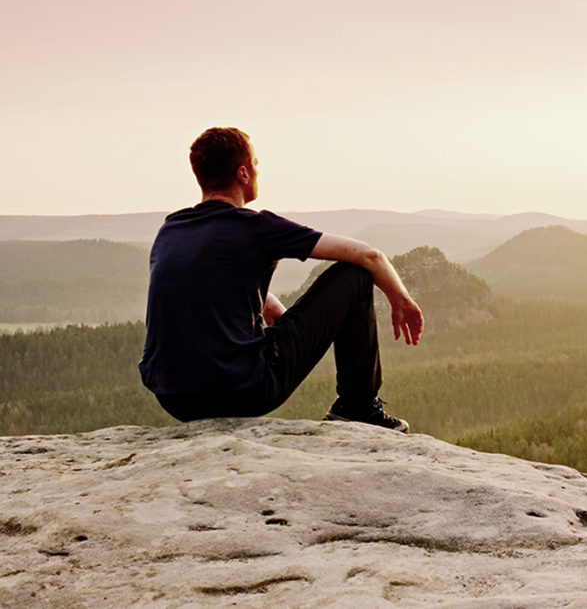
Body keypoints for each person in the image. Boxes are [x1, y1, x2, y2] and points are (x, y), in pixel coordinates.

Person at [139, 126, 423, 432]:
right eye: (256, 164)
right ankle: (358, 407)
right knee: (353, 275)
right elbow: (369, 257)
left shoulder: (171, 229)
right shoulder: (256, 227)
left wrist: (284, 318)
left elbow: (214, 290)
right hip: (243, 391)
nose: (259, 171)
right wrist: (402, 301)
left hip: (174, 398)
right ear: (243, 174)